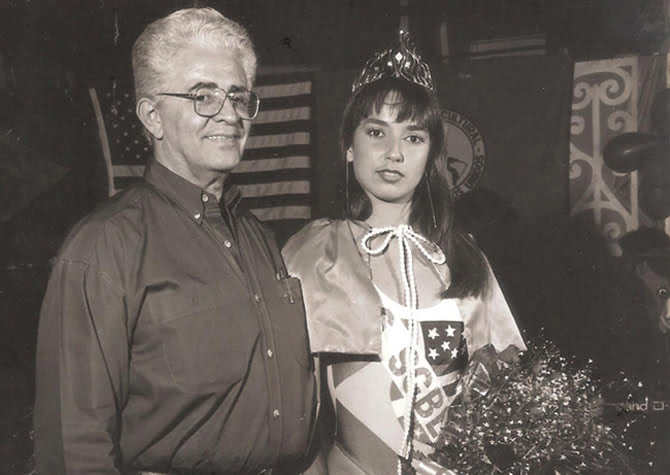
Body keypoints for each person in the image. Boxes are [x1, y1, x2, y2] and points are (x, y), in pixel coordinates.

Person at [33, 8, 316, 474]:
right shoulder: (105, 247)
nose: (229, 114)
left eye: (238, 96)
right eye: (203, 96)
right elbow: (73, 447)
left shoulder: (258, 238)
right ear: (152, 117)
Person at [283, 32, 525, 474]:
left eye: (413, 137)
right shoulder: (315, 252)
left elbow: (506, 392)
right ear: (349, 146)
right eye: (377, 132)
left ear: (431, 154)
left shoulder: (465, 258)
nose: (393, 153)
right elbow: (290, 414)